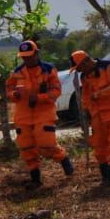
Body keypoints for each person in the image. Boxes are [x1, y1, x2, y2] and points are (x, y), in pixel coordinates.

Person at [7, 39, 72, 185]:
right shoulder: (17, 72)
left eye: (30, 55)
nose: (27, 59)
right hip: (23, 114)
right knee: (26, 146)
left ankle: (63, 159)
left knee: (46, 143)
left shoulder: (48, 70)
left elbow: (56, 91)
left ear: (37, 54)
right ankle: (35, 179)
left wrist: (39, 98)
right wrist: (13, 95)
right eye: (24, 56)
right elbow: (9, 89)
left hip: (44, 113)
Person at [70, 49, 110, 186]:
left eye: (79, 67)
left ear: (86, 61)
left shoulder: (109, 66)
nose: (78, 71)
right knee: (98, 144)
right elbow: (85, 96)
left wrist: (98, 94)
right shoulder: (84, 77)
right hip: (97, 114)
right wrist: (85, 110)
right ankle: (104, 177)